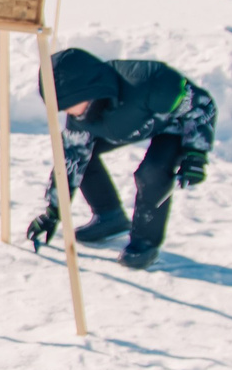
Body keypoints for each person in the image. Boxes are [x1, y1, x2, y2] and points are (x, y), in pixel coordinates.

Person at [25, 48, 218, 270]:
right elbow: (70, 162)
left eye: (70, 102)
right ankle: (109, 217)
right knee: (77, 152)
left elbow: (202, 105)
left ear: (91, 88)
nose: (68, 111)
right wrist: (53, 211)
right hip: (121, 124)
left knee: (152, 173)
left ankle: (145, 242)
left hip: (173, 125)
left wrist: (196, 153)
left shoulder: (148, 82)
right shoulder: (81, 117)